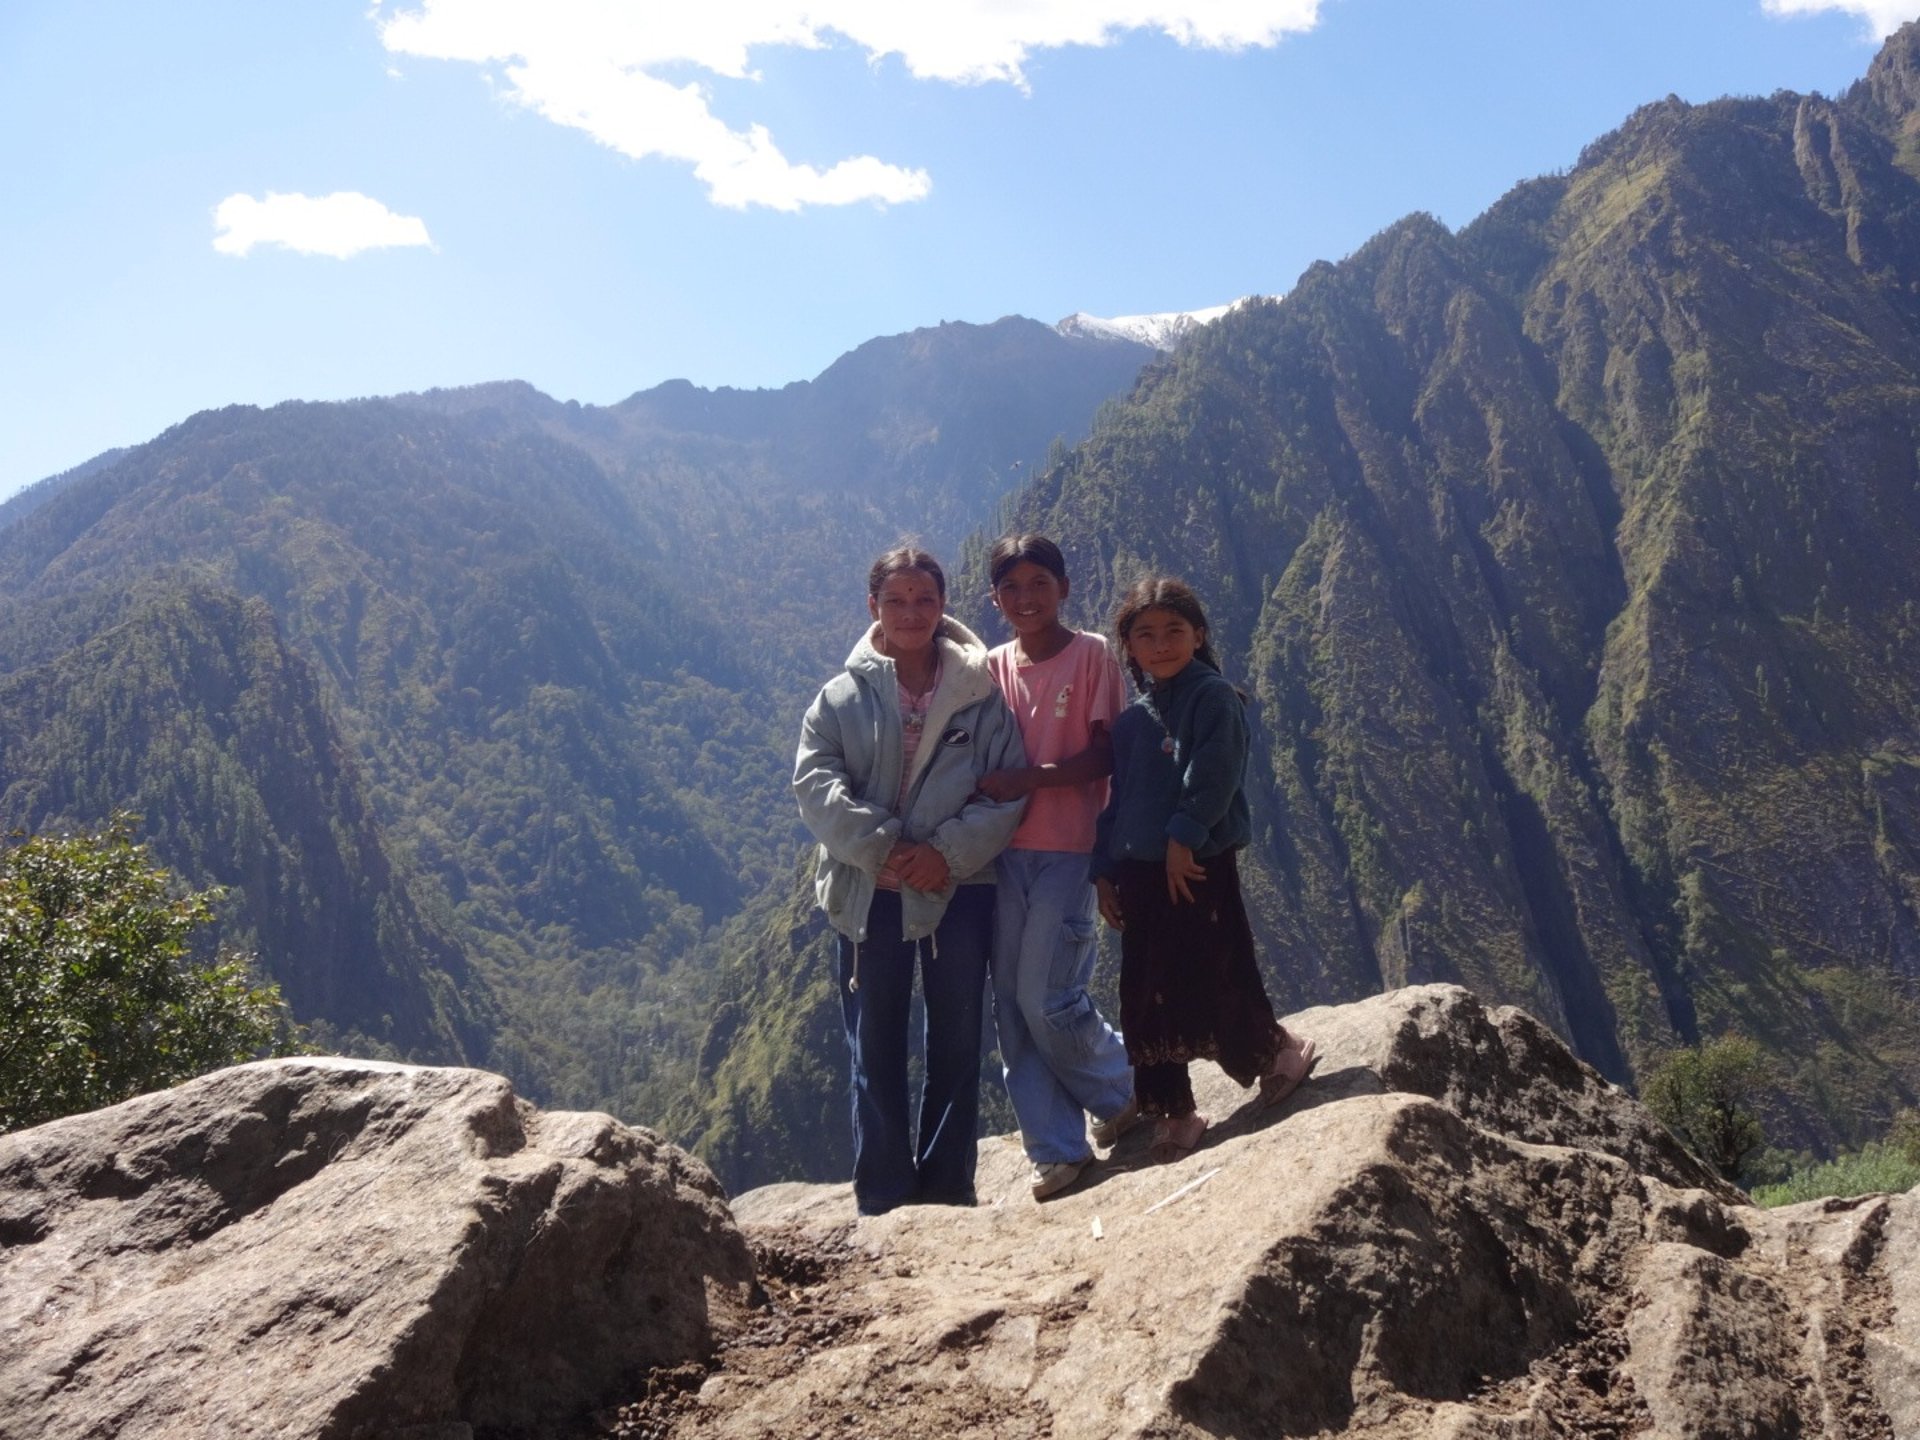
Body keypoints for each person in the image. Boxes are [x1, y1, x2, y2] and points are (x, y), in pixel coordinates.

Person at [794, 545, 1028, 1216]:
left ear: (942, 606)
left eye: (925, 599)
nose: (911, 612)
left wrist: (945, 854)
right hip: (870, 892)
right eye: (895, 600)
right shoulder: (842, 698)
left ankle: (949, 1185)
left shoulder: (980, 696)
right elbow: (816, 784)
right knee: (875, 1043)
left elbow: (1006, 790)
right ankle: (887, 1193)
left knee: (957, 1040)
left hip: (959, 890)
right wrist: (887, 849)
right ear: (873, 608)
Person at [1091, 577, 1316, 1163]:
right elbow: (1116, 801)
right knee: (1146, 993)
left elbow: (1214, 775)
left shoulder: (1211, 697)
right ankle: (1174, 1109)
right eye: (1146, 635)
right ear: (1129, 647)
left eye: (1174, 631)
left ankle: (1279, 1053)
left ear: (1198, 635)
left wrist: (1183, 838)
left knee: (1217, 970)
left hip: (1194, 864)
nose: (1161, 644)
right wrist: (1103, 871)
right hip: (1141, 870)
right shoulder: (1134, 721)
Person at [977, 534, 1140, 1201]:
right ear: (995, 599)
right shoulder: (991, 667)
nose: (1026, 599)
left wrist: (1031, 780)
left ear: (1064, 588)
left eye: (1038, 584)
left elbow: (1108, 756)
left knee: (1047, 997)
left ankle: (1129, 1089)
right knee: (1012, 1007)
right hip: (1001, 853)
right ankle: (1057, 1151)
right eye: (1011, 588)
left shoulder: (1092, 656)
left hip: (1071, 847)